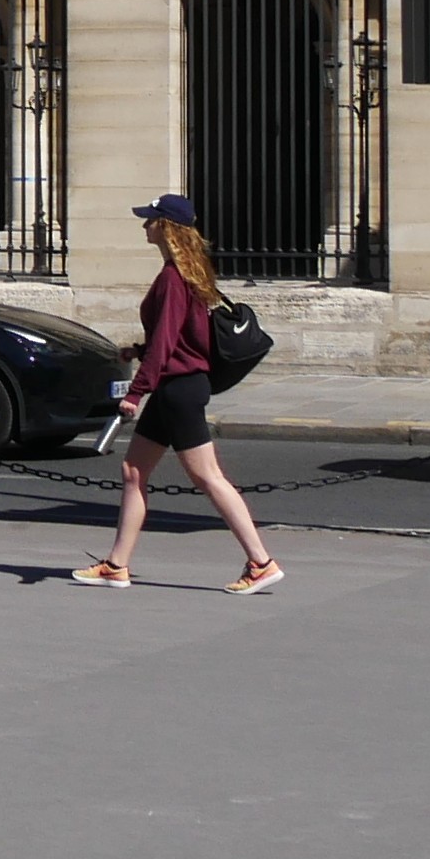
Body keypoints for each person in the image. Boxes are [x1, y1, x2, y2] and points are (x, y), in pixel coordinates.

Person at [81, 194, 283, 596]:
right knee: (133, 471)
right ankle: (116, 566)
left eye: (151, 220)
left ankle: (261, 562)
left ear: (167, 227)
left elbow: (168, 341)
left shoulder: (174, 278)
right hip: (176, 386)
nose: (145, 226)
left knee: (208, 477)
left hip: (179, 389)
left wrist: (136, 392)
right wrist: (139, 351)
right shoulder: (188, 272)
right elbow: (183, 338)